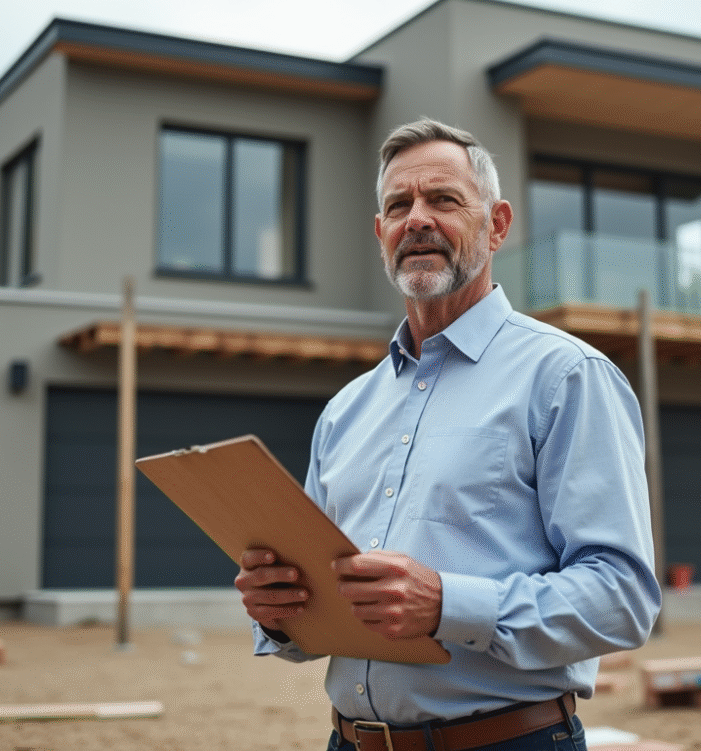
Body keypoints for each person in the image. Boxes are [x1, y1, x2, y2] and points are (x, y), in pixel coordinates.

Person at [235, 119, 661, 751]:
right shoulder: (346, 410)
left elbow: (622, 598)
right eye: (398, 206)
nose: (418, 220)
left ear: (497, 225)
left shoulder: (567, 378)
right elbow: (326, 604)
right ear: (380, 234)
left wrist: (448, 605)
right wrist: (281, 613)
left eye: (444, 200)